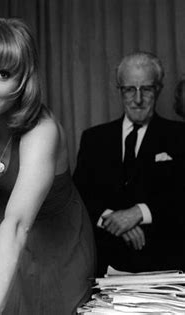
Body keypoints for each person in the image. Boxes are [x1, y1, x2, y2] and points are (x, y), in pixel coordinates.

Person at [0, 18, 95, 314]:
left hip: (58, 240)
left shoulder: (42, 131)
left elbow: (17, 225)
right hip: (3, 227)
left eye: (3, 74)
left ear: (23, 80)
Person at [73, 51, 185, 276]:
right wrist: (110, 219)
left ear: (159, 89)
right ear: (120, 91)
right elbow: (79, 194)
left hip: (165, 266)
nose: (138, 99)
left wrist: (140, 212)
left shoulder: (180, 137)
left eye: (146, 89)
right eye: (129, 89)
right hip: (104, 265)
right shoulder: (94, 139)